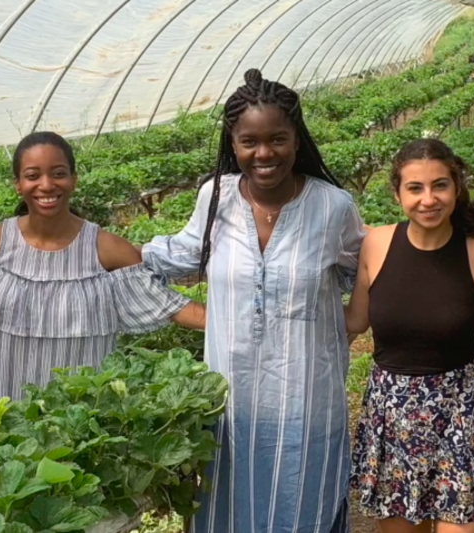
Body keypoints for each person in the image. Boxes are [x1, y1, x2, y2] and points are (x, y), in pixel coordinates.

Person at [142, 69, 364, 533]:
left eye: (277, 139)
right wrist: (90, 247)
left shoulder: (332, 206)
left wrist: (352, 320)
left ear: (297, 140)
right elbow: (178, 255)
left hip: (307, 397)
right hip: (230, 398)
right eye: (249, 142)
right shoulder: (215, 198)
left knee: (302, 506)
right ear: (233, 143)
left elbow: (364, 268)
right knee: (229, 507)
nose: (264, 154)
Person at [346, 139, 474, 532]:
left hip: (463, 412)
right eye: (415, 188)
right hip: (394, 415)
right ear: (397, 193)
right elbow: (354, 322)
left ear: (456, 187)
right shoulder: (377, 244)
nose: (428, 199)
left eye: (440, 185)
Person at [0, 131, 205, 401]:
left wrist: (237, 324)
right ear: (17, 184)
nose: (46, 185)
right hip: (1, 402)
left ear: (74, 180)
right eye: (33, 176)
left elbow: (169, 306)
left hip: (78, 412)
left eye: (58, 173)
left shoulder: (107, 249)